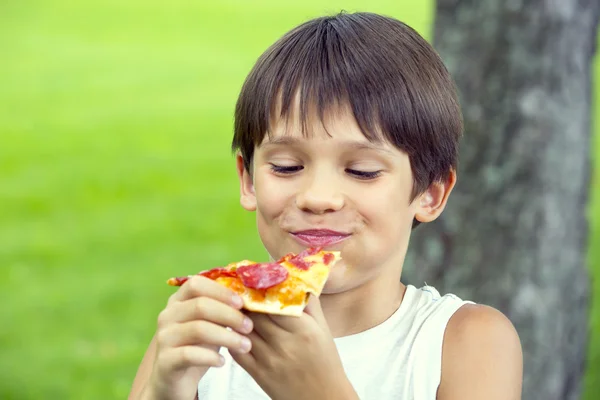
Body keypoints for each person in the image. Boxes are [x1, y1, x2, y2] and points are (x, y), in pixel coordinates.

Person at [128, 11, 523, 400]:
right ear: (248, 179)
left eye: (363, 171)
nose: (318, 197)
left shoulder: (466, 343)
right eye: (287, 166)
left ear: (431, 193)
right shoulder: (205, 329)